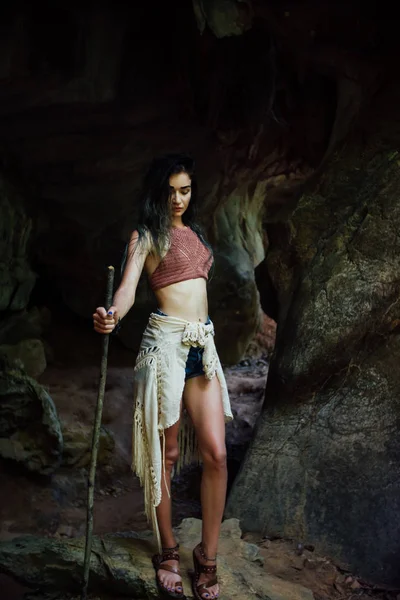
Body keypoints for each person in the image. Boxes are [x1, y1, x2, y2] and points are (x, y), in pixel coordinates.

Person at [93, 154, 233, 600]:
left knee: (216, 454)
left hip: (202, 347)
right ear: (159, 191)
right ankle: (167, 550)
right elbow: (129, 288)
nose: (178, 198)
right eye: (171, 190)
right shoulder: (146, 236)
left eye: (185, 189)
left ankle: (206, 557)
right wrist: (112, 314)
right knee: (166, 454)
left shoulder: (196, 234)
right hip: (166, 348)